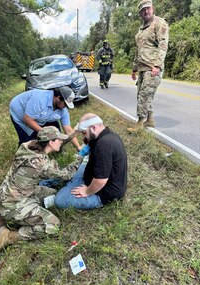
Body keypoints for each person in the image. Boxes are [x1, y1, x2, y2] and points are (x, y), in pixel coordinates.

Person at [0, 126, 89, 260]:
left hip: (9, 194)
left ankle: (32, 211)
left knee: (52, 194)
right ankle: (8, 237)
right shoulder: (41, 164)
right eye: (59, 139)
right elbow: (67, 174)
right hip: (12, 205)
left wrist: (75, 131)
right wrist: (81, 155)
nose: (61, 142)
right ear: (51, 142)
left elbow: (57, 142)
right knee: (53, 225)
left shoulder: (28, 146)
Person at [54, 113, 127, 209]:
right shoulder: (107, 135)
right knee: (70, 169)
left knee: (59, 201)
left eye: (84, 133)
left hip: (105, 192)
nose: (84, 137)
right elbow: (86, 149)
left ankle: (71, 184)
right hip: (90, 175)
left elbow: (101, 180)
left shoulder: (104, 145)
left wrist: (87, 191)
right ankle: (71, 182)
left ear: (93, 128)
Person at [127, 0, 169, 133]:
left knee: (144, 96)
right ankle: (150, 119)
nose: (146, 11)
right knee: (142, 93)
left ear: (153, 8)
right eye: (143, 10)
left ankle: (140, 122)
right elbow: (137, 50)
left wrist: (157, 65)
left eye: (148, 8)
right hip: (142, 68)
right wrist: (134, 68)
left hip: (153, 68)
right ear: (140, 13)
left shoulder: (159, 23)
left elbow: (163, 46)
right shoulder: (140, 30)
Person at [10, 86, 81, 150]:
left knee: (54, 128)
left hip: (41, 116)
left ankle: (56, 148)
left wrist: (78, 147)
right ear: (58, 97)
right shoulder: (40, 99)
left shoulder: (63, 109)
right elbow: (28, 119)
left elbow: (68, 130)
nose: (65, 107)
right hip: (20, 115)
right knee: (29, 144)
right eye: (65, 104)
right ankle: (22, 155)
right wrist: (46, 134)